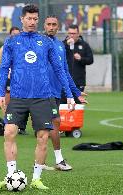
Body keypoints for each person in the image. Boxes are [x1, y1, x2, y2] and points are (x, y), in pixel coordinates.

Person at [0, 4, 74, 190]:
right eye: (28, 18)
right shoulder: (12, 41)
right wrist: (0, 93)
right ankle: (10, 176)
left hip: (42, 97)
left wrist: (69, 94)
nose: (32, 22)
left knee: (42, 137)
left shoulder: (45, 42)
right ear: (22, 19)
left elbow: (59, 69)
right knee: (9, 133)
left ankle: (37, 178)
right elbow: (4, 68)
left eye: (35, 19)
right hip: (19, 96)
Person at [43, 15, 87, 171]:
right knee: (53, 123)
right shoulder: (39, 42)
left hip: (54, 92)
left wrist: (76, 92)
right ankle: (57, 160)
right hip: (40, 91)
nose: (51, 27)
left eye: (54, 24)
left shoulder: (60, 46)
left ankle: (43, 162)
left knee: (51, 125)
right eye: (48, 24)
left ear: (58, 26)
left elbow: (65, 71)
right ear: (44, 25)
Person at [0, 27, 28, 135]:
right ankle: (8, 125)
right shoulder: (4, 48)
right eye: (13, 34)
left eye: (17, 34)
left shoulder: (25, 47)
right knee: (8, 103)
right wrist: (7, 73)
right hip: (9, 80)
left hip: (22, 80)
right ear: (10, 35)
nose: (15, 36)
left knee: (24, 103)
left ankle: (21, 127)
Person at [62, 24, 93, 102]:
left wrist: (81, 59)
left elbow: (90, 60)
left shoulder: (84, 45)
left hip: (78, 81)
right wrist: (66, 45)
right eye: (70, 33)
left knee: (77, 105)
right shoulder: (62, 45)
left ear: (78, 34)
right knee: (63, 106)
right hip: (65, 80)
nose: (71, 35)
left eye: (73, 33)